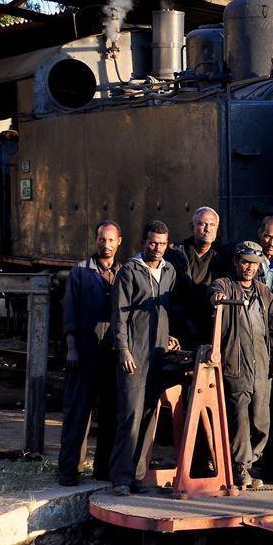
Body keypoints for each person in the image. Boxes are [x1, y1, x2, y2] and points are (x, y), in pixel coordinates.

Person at [210, 241, 273, 488]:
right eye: (245, 262)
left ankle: (251, 461)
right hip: (235, 363)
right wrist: (217, 299)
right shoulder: (225, 285)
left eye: (253, 264)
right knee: (239, 418)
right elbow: (212, 293)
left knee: (260, 419)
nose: (249, 268)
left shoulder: (264, 292)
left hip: (261, 365)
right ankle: (240, 467)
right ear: (236, 262)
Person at [109, 220, 178, 496]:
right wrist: (123, 350)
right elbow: (119, 315)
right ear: (143, 242)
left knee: (150, 416)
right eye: (153, 243)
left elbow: (166, 312)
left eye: (162, 244)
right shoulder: (129, 272)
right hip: (134, 355)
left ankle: (138, 476)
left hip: (158, 355)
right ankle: (121, 478)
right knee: (130, 416)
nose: (157, 248)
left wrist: (169, 336)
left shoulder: (169, 271)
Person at [58, 220, 122, 487]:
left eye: (110, 240)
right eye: (101, 239)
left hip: (111, 352)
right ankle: (69, 470)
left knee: (110, 412)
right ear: (95, 240)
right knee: (78, 413)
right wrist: (72, 347)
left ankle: (103, 469)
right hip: (84, 352)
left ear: (118, 241)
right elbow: (69, 311)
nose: (105, 244)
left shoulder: (124, 273)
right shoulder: (80, 272)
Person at [165, 206, 226, 349]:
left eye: (212, 225)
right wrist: (184, 320)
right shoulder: (175, 253)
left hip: (211, 328)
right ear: (192, 226)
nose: (207, 228)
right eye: (202, 224)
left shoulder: (224, 254)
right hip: (180, 327)